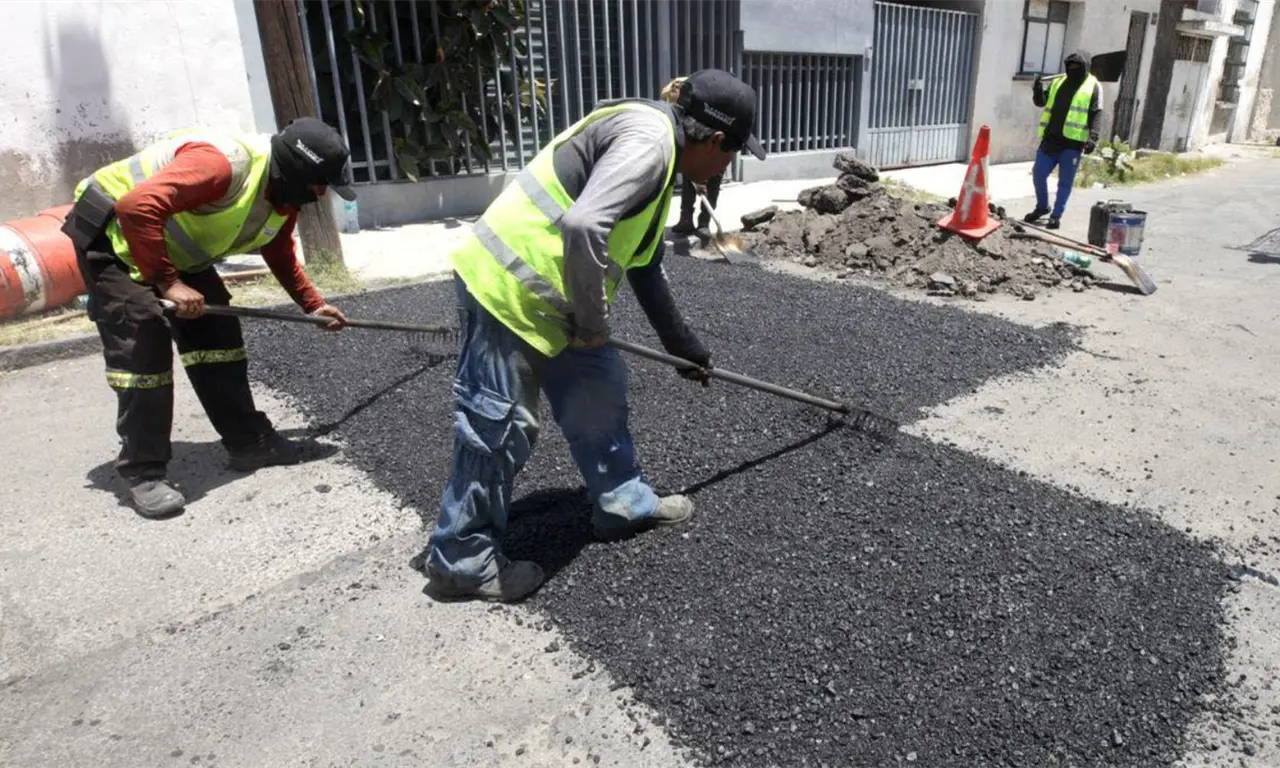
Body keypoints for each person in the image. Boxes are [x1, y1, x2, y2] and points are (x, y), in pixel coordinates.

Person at [424, 68, 767, 602]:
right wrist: (591, 325)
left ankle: (623, 502)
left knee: (599, 389)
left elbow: (645, 267)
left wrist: (686, 351)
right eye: (733, 154)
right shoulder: (650, 142)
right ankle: (462, 561)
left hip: (563, 300)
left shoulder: (664, 160)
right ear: (716, 140)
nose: (728, 165)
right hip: (508, 285)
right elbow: (585, 225)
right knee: (498, 425)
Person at [63, 117, 354, 518]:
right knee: (143, 340)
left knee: (217, 336)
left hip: (169, 245)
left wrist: (312, 305)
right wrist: (168, 284)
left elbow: (279, 249)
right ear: (295, 170)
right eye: (318, 184)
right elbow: (136, 207)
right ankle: (143, 471)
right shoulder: (222, 164)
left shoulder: (280, 194)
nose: (320, 194)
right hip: (112, 235)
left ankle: (249, 442)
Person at [1025, 50, 1102, 230]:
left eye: (1077, 67)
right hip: (1050, 140)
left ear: (1085, 68)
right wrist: (1037, 89)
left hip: (1073, 144)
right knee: (1038, 174)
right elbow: (1041, 102)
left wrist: (1093, 137)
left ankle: (1056, 215)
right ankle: (1043, 207)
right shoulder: (1058, 81)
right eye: (1070, 66)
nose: (1072, 70)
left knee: (1064, 183)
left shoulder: (1093, 86)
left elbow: (1096, 113)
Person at [662, 76, 725, 240]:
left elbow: (704, 143)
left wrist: (701, 180)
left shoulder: (706, 108)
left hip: (715, 149)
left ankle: (704, 223)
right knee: (688, 185)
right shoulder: (683, 107)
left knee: (712, 187)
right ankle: (686, 220)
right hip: (697, 149)